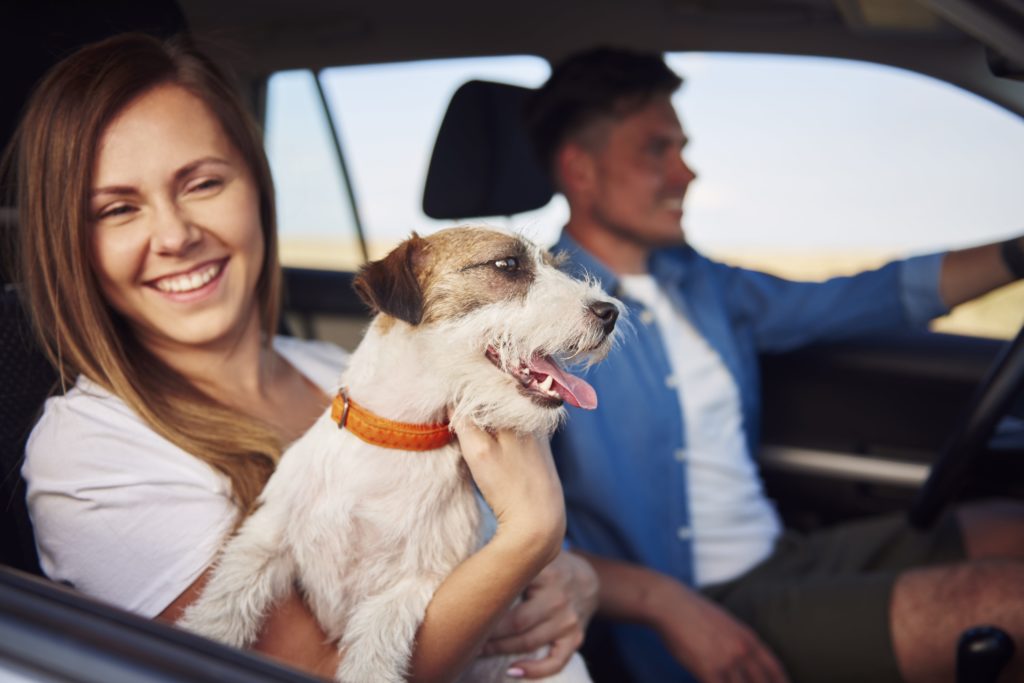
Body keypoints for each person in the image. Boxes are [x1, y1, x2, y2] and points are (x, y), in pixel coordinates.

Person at [11, 33, 594, 681]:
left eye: (203, 183)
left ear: (258, 189)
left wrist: (575, 577)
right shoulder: (91, 450)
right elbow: (307, 670)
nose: (175, 236)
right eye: (118, 208)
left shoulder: (334, 367)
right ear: (73, 245)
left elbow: (483, 542)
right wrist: (530, 537)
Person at [526, 46, 1024, 683]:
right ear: (581, 170)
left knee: (1013, 527)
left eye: (682, 147)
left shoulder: (701, 285)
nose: (686, 173)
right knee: (1007, 603)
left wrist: (1015, 255)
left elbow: (866, 297)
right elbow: (507, 531)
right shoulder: (534, 318)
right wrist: (663, 603)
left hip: (780, 555)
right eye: (657, 149)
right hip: (691, 611)